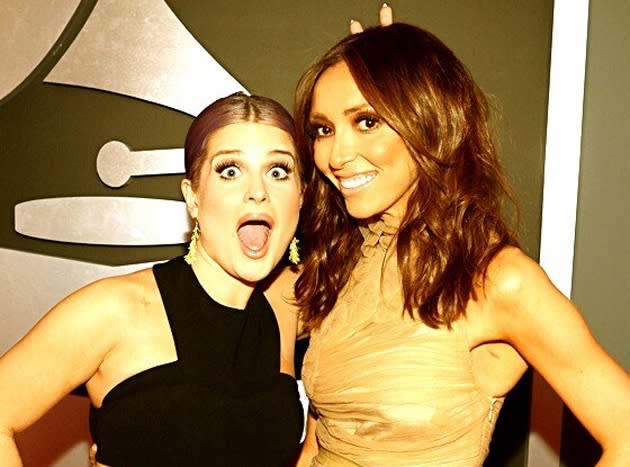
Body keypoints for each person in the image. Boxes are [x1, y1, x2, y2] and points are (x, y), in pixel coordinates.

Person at [291, 14, 630, 467]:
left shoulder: (499, 281)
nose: (337, 154)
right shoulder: (348, 261)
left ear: (428, 120)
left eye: (367, 121)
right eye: (323, 129)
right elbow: (319, 445)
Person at [0, 92, 305, 466]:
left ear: (301, 196)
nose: (258, 192)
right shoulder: (115, 310)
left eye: (278, 172)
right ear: (193, 198)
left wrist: (390, 82)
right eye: (229, 170)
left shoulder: (290, 302)